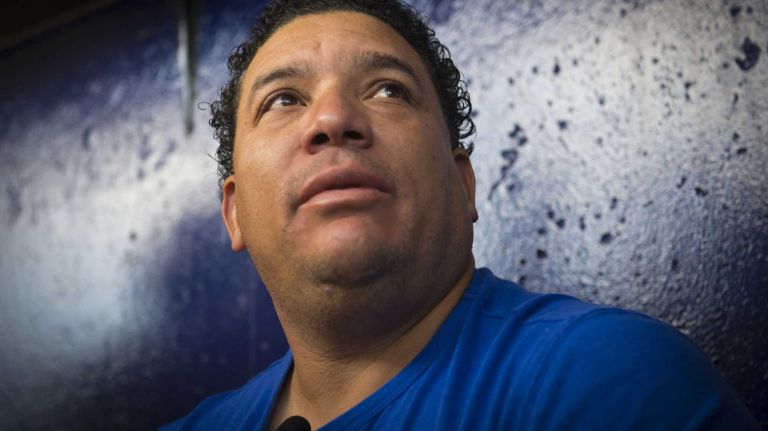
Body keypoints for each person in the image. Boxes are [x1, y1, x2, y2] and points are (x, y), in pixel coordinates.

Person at [161, 0, 760, 430]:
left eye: (388, 90)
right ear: (234, 213)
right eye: (284, 99)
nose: (332, 118)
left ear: (464, 183)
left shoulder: (605, 380)